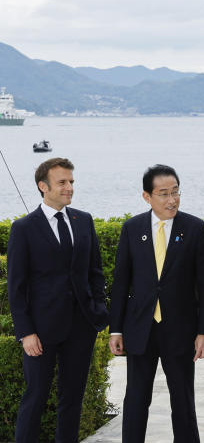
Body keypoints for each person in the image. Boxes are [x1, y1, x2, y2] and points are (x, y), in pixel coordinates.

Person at [109, 164, 204, 443]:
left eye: (176, 192)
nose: (172, 200)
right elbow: (121, 283)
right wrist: (115, 329)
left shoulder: (194, 228)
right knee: (135, 400)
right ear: (147, 197)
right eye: (164, 194)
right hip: (140, 330)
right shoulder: (132, 229)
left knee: (182, 401)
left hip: (180, 331)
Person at [8, 157, 109, 443]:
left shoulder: (84, 220)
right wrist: (26, 332)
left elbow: (95, 272)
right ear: (43, 186)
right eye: (62, 182)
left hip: (82, 325)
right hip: (40, 330)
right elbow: (16, 287)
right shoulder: (24, 228)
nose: (69, 188)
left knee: (72, 398)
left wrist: (99, 310)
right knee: (35, 396)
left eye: (71, 182)